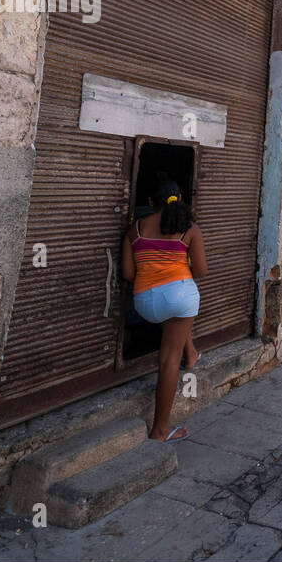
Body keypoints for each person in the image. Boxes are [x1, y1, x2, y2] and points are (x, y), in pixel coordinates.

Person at [121, 178, 207, 443]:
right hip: (180, 295)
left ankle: (191, 354)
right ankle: (160, 430)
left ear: (150, 203)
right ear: (180, 198)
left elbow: (127, 274)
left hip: (145, 301)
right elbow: (202, 271)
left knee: (176, 319)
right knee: (169, 358)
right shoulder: (189, 228)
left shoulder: (134, 230)